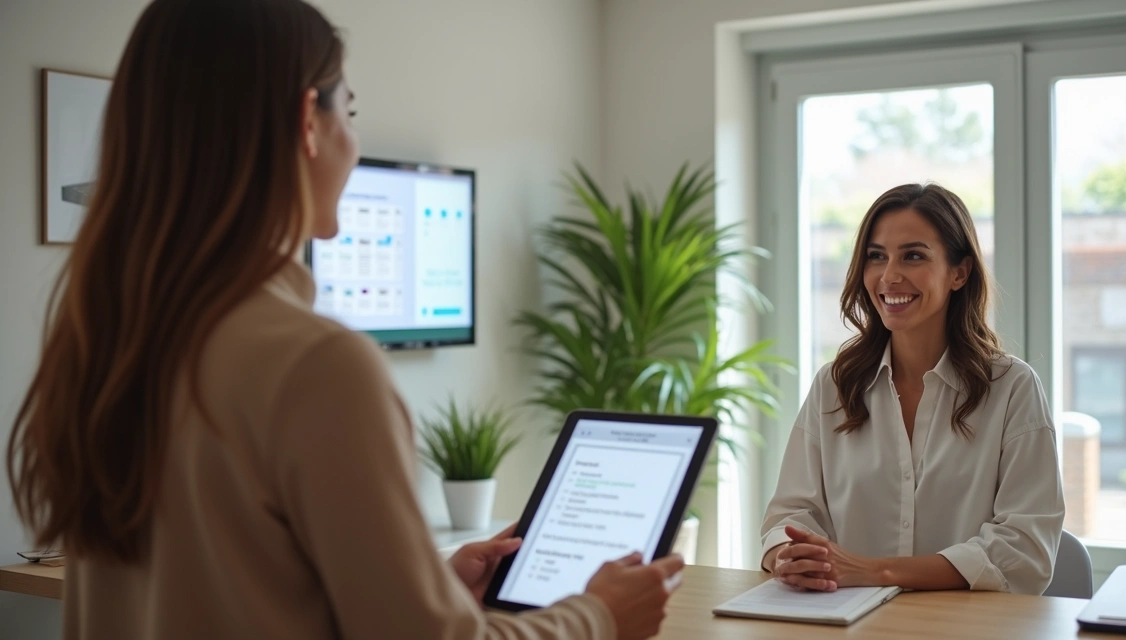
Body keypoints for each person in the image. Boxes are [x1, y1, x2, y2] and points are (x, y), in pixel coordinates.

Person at [5, 0, 681, 638]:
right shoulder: (316, 364)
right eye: (349, 112)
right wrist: (596, 616)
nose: (352, 142)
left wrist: (420, 588)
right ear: (307, 119)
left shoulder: (108, 340)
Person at [760, 183, 1064, 595]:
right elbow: (790, 515)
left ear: (960, 272)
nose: (889, 276)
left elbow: (1024, 549)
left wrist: (877, 571)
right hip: (842, 620)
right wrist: (788, 556)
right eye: (876, 256)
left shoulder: (1012, 388)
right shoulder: (834, 385)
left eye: (913, 256)